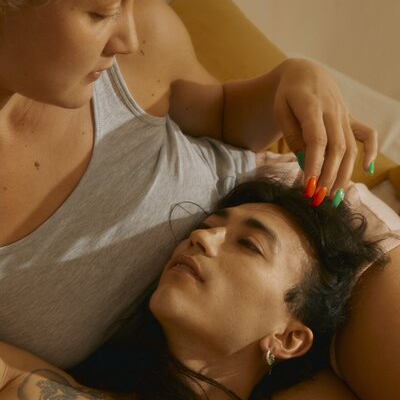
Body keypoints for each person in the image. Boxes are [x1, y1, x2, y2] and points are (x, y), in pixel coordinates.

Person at [1, 0, 400, 399]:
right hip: (181, 362)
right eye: (101, 12)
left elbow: (223, 115)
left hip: (307, 226)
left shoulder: (142, 41)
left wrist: (293, 77)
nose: (128, 36)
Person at [0, 178, 389, 400]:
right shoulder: (44, 385)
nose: (202, 238)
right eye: (206, 227)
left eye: (249, 245)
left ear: (288, 338)